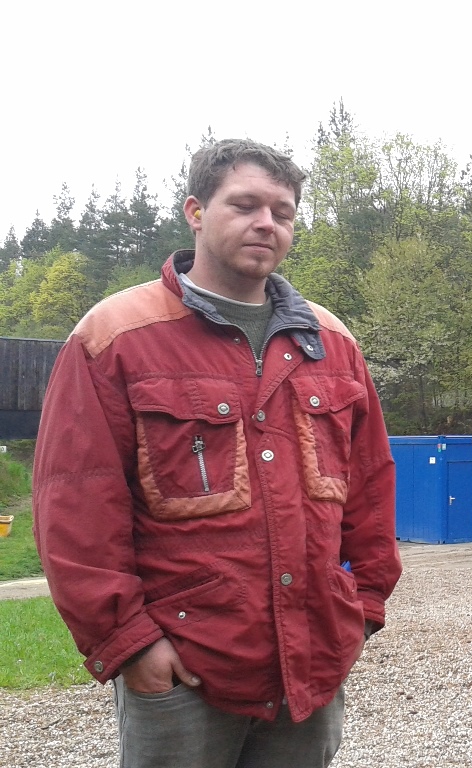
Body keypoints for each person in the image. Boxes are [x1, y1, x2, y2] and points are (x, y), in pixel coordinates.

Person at [33, 138, 401, 768]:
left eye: (282, 212)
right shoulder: (116, 338)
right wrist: (128, 641)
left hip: (310, 666)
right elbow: (76, 501)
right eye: (245, 205)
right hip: (183, 671)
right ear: (196, 211)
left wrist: (363, 608)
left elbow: (370, 487)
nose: (266, 223)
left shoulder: (332, 342)